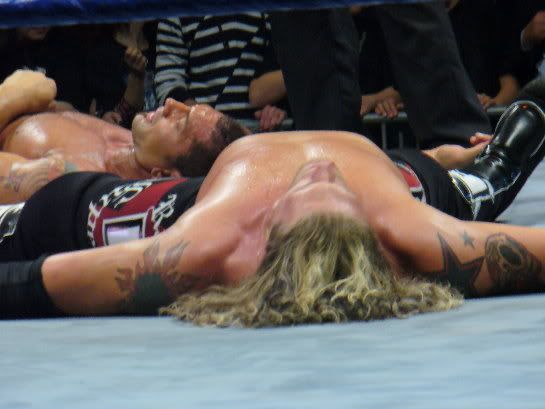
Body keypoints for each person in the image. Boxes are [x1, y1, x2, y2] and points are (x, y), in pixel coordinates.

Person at [2, 76, 545, 325]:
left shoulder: (206, 248)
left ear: (267, 237)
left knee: (55, 203)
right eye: (341, 190)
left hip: (153, 201)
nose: (322, 169)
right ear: (370, 230)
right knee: (491, 173)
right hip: (408, 176)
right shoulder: (417, 236)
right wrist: (458, 159)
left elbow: (37, 284)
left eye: (306, 188)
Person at [0, 70, 249, 203]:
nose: (171, 103)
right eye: (185, 108)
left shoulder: (73, 176)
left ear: (163, 174)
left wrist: (12, 97)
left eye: (179, 123)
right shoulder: (135, 143)